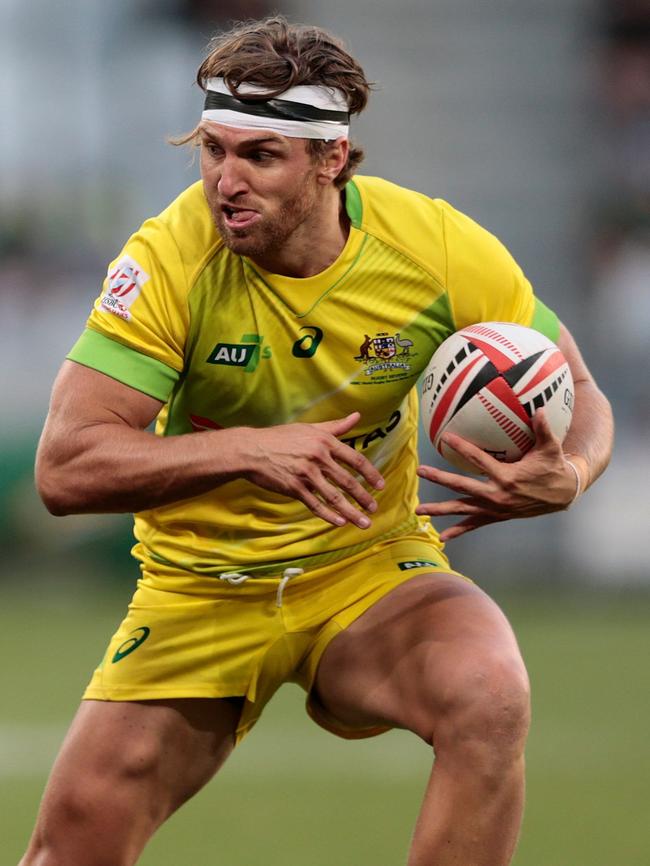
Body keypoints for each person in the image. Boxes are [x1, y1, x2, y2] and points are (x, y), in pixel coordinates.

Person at [21, 16, 613, 866]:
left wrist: (576, 471)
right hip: (202, 588)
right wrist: (250, 449)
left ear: (331, 160)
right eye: (213, 150)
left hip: (367, 569)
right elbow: (65, 466)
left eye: (260, 156)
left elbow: (581, 392)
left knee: (489, 694)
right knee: (66, 855)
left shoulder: (436, 248)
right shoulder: (168, 259)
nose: (225, 181)